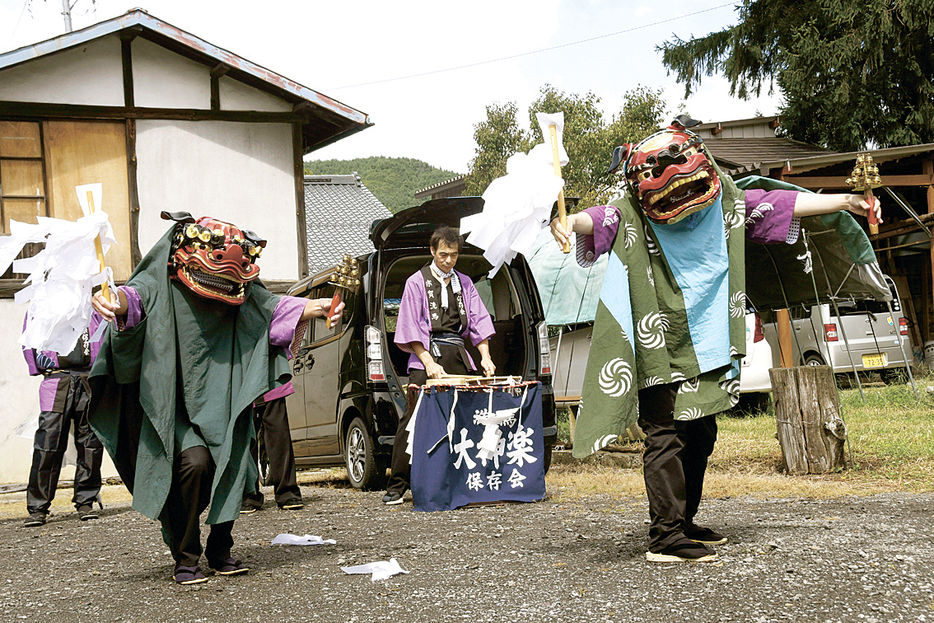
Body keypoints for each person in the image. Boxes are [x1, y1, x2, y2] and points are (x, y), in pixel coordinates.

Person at [550, 116, 881, 563]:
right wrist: (569, 224)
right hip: (657, 340)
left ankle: (683, 521)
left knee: (701, 430)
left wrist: (848, 201)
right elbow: (599, 218)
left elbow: (777, 204)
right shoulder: (633, 214)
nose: (679, 192)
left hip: (703, 339)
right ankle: (664, 537)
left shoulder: (724, 204)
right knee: (663, 433)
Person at [89, 212, 342, 585]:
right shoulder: (162, 279)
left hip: (222, 397)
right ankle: (186, 554)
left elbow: (270, 307)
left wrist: (317, 307)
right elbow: (134, 298)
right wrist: (113, 301)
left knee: (234, 464)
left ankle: (221, 548)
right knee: (194, 463)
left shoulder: (238, 289)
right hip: (171, 399)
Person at [381, 226, 496, 505]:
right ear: (433, 251)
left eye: (453, 255)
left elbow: (479, 323)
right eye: (443, 254)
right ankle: (398, 485)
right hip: (425, 354)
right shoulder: (416, 282)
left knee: (465, 417)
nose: (448, 260)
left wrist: (485, 356)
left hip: (456, 353)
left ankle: (465, 480)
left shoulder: (465, 283)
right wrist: (428, 362)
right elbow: (410, 325)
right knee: (414, 418)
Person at [22, 318, 105, 527]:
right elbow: (29, 337)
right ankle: (38, 506)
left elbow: (104, 334)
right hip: (56, 379)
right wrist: (38, 367)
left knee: (91, 442)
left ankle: (86, 500)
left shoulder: (92, 305)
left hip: (88, 377)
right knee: (47, 444)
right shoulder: (43, 306)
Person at [240, 387, 303, 513]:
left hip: (271, 383)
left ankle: (287, 492)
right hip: (241, 387)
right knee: (245, 441)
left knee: (279, 437)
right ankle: (248, 494)